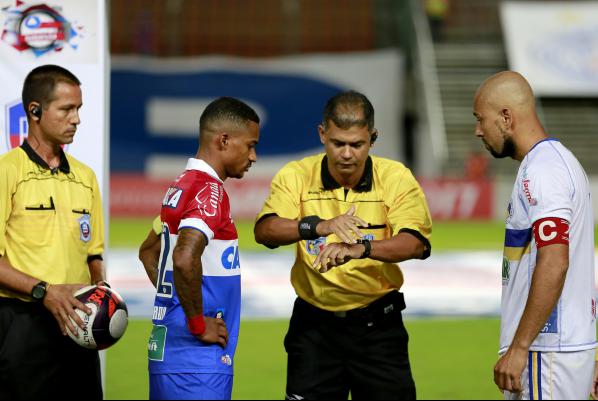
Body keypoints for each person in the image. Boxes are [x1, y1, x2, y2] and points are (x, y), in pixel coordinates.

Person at [254, 90, 432, 400]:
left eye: (356, 145)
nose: (347, 154)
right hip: (313, 330)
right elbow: (265, 230)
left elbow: (415, 244)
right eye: (338, 143)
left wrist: (361, 248)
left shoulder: (395, 177)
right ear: (322, 134)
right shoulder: (296, 175)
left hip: (379, 330)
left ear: (372, 138)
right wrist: (319, 226)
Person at [473, 71, 596, 399]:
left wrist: (520, 346)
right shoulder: (557, 164)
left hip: (547, 351)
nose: (478, 130)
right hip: (563, 348)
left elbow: (555, 261)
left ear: (506, 117)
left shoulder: (544, 172)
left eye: (480, 119)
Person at [0, 65, 107, 399]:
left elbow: (94, 253)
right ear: (35, 111)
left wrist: (101, 292)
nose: (76, 119)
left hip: (78, 326)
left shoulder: (86, 177)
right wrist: (44, 291)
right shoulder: (7, 172)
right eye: (66, 109)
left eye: (79, 109)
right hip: (23, 325)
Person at [147, 97, 260, 400]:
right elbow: (184, 258)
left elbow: (148, 251)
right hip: (197, 361)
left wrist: (174, 301)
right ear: (223, 140)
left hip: (167, 349)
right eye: (250, 145)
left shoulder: (181, 184)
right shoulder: (209, 190)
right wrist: (197, 325)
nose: (254, 156)